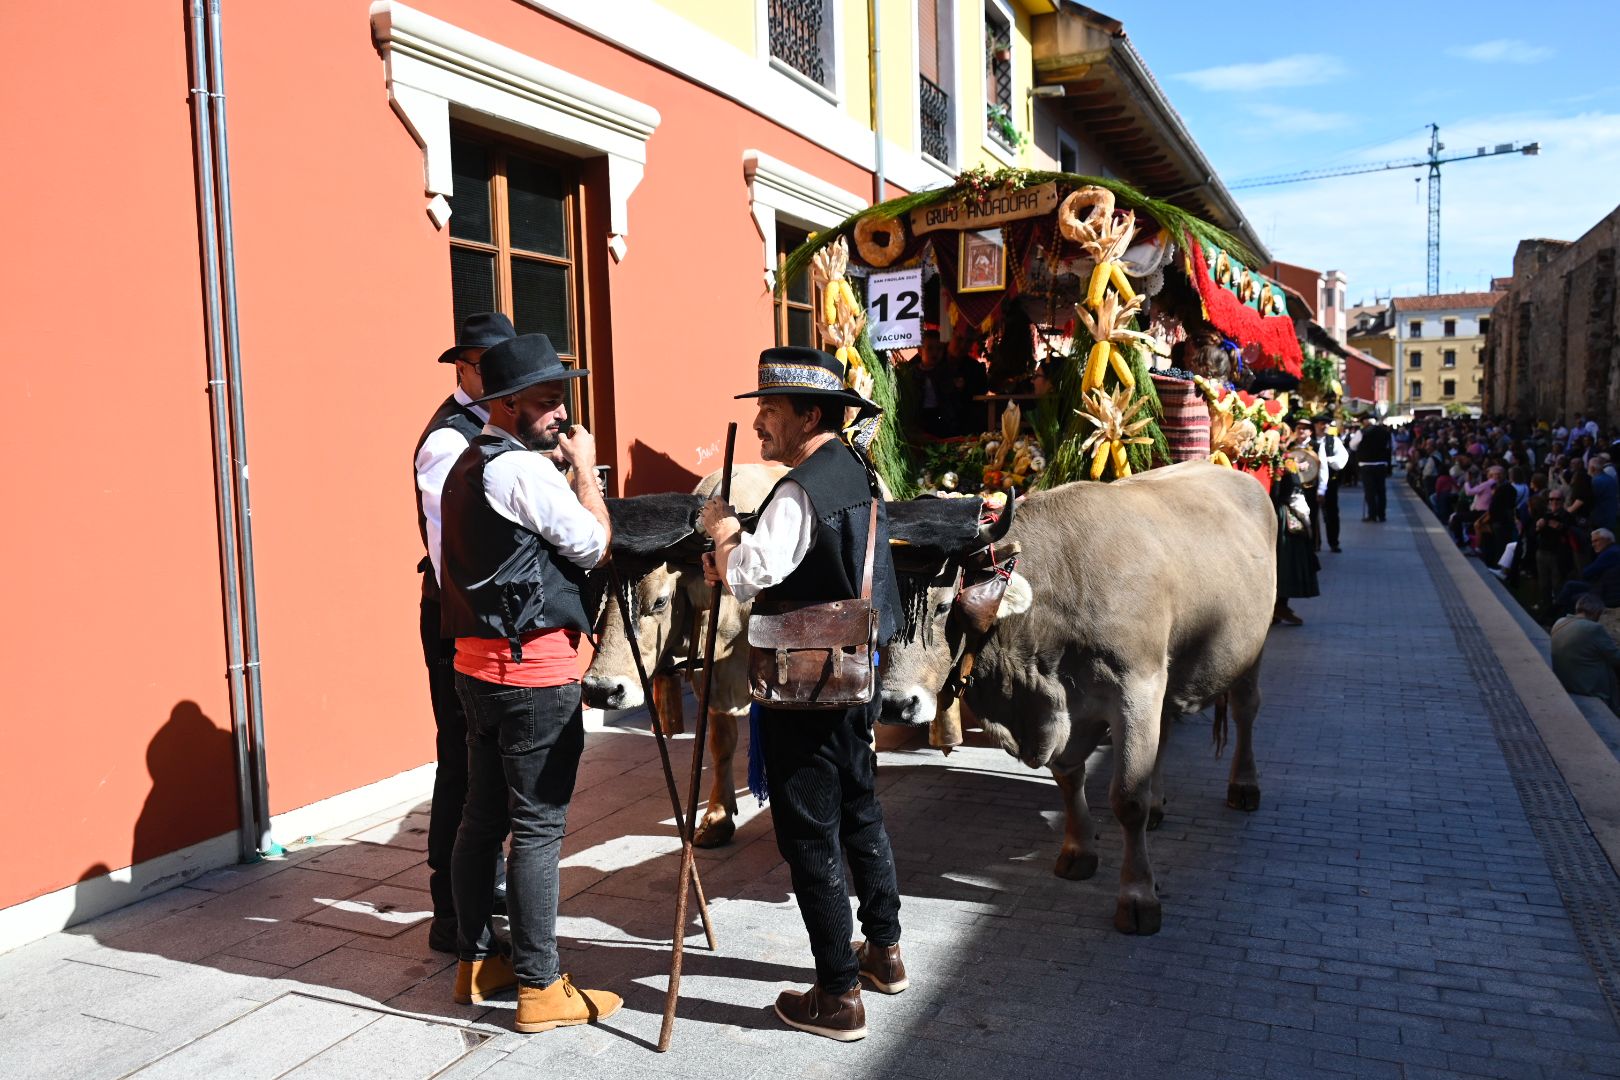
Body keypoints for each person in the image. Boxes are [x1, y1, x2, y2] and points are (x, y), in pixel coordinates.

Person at [701, 346, 907, 1042]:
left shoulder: (800, 490)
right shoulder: (856, 470)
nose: (760, 422)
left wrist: (723, 533)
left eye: (771, 409)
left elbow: (751, 573)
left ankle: (838, 995)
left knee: (810, 834)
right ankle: (884, 951)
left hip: (809, 686)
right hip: (853, 674)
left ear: (810, 416)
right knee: (859, 811)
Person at [439, 334, 621, 1033]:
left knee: (482, 818)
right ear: (508, 403)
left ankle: (477, 961)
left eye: (561, 400)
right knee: (538, 829)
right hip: (533, 673)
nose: (562, 414)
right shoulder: (522, 470)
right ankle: (541, 987)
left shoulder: (467, 461)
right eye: (548, 401)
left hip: (477, 666)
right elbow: (593, 545)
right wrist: (588, 475)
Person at [413, 312, 513, 953]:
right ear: (463, 368)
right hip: (458, 617)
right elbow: (456, 549)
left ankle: (484, 890)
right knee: (462, 759)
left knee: (490, 760)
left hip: (486, 616)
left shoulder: (496, 427)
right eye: (489, 366)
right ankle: (451, 913)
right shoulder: (449, 441)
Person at [1551, 592, 1620, 712]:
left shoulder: (1560, 621)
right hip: (1587, 687)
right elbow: (1617, 658)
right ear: (1596, 612)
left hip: (1565, 681)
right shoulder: (1594, 629)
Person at [1271, 454, 1318, 625]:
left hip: (1283, 515)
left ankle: (1279, 604)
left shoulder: (1285, 465)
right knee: (1288, 563)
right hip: (1285, 517)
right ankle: (1279, 604)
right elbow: (1286, 496)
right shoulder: (1286, 468)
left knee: (1285, 562)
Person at [1552, 528, 1620, 619]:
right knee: (1570, 585)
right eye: (1592, 542)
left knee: (1574, 597)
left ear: (1607, 540)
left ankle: (1560, 618)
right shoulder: (1613, 550)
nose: (1593, 545)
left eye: (1596, 541)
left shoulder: (1610, 553)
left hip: (1607, 593)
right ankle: (1555, 613)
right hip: (1603, 587)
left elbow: (1587, 573)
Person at [1307, 414, 1350, 553]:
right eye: (1321, 423)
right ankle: (1315, 543)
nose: (1324, 426)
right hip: (1311, 483)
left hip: (1330, 483)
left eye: (1326, 423)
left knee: (1331, 513)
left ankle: (1333, 542)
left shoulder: (1333, 441)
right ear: (1315, 425)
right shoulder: (1309, 441)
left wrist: (1328, 460)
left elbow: (1342, 459)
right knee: (1312, 513)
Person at [1357, 415, 1394, 523]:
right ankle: (1381, 515)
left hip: (1366, 464)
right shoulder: (1385, 432)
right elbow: (1392, 446)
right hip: (1381, 464)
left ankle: (1372, 515)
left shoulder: (1361, 432)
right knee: (1381, 490)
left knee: (1370, 491)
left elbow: (1353, 445)